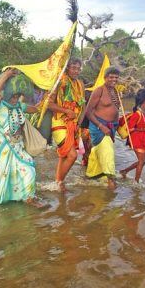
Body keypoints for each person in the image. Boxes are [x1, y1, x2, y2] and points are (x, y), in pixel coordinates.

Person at [0, 69, 42, 207]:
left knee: (29, 169)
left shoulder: (20, 106)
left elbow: (37, 109)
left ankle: (28, 197)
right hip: (5, 148)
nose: (15, 99)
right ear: (7, 95)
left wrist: (48, 96)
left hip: (19, 146)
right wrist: (5, 77)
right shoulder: (0, 106)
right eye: (13, 96)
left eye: (18, 96)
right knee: (7, 174)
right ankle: (12, 197)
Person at [48, 57, 85, 192]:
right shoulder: (59, 82)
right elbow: (49, 104)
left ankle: (58, 182)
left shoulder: (80, 84)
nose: (76, 71)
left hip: (74, 124)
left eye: (78, 68)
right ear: (67, 68)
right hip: (59, 122)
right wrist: (65, 111)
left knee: (64, 156)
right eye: (73, 68)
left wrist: (80, 120)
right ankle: (59, 182)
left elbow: (83, 103)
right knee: (72, 155)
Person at [85, 66, 121, 189]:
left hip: (112, 127)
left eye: (116, 77)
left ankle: (93, 175)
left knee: (98, 150)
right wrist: (101, 126)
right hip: (99, 127)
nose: (114, 79)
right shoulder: (99, 91)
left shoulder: (115, 91)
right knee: (107, 152)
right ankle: (111, 180)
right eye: (111, 77)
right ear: (105, 77)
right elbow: (88, 112)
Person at [120, 89, 145, 183]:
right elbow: (129, 128)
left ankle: (124, 171)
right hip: (137, 140)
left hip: (143, 139)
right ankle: (136, 182)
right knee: (141, 161)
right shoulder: (137, 114)